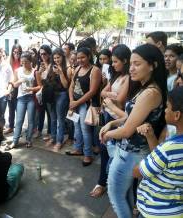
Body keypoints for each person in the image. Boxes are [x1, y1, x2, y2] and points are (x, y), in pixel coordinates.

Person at [100, 44, 167, 218]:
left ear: (152, 65)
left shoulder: (150, 93)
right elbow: (133, 118)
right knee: (126, 194)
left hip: (130, 154)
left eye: (137, 64)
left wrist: (107, 135)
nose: (131, 68)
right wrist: (112, 124)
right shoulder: (144, 88)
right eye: (130, 64)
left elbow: (127, 131)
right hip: (130, 152)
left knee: (115, 196)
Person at [133, 86, 183, 218]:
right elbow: (163, 161)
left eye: (167, 107)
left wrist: (142, 163)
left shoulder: (170, 148)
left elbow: (138, 172)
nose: (165, 110)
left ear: (177, 115)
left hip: (155, 211)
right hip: (176, 210)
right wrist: (151, 136)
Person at [90, 44, 130, 198]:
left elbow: (120, 100)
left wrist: (110, 98)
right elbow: (102, 91)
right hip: (108, 116)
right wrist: (110, 97)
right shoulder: (116, 76)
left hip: (119, 119)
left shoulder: (128, 78)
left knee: (116, 154)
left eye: (115, 61)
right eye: (112, 62)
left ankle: (113, 185)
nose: (112, 65)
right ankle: (102, 182)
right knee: (104, 150)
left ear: (125, 60)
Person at [66, 47, 102, 166]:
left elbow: (92, 91)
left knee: (85, 129)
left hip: (85, 104)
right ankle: (78, 149)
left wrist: (77, 103)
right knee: (77, 127)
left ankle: (87, 155)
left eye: (83, 57)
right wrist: (71, 100)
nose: (80, 60)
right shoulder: (77, 68)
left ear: (89, 57)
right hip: (75, 102)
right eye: (78, 58)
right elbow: (71, 85)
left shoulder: (95, 70)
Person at [5, 51, 41, 150]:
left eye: (26, 62)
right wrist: (19, 82)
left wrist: (31, 89)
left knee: (31, 121)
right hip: (21, 98)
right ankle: (14, 141)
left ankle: (29, 140)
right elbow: (14, 85)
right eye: (22, 62)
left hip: (31, 98)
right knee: (19, 120)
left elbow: (40, 86)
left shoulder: (35, 72)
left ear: (30, 61)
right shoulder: (18, 71)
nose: (24, 64)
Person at [44, 48, 70, 151]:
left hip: (61, 95)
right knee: (52, 118)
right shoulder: (51, 66)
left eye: (58, 57)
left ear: (62, 57)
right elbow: (47, 80)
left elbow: (66, 85)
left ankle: (59, 141)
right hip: (51, 94)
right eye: (54, 58)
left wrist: (60, 73)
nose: (56, 60)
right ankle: (53, 137)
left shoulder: (67, 68)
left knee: (60, 119)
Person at [4, 44, 22, 134]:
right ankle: (11, 126)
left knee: (19, 109)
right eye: (15, 52)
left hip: (20, 87)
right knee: (11, 108)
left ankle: (19, 127)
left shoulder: (22, 61)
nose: (16, 54)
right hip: (11, 87)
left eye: (18, 52)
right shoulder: (8, 61)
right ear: (12, 52)